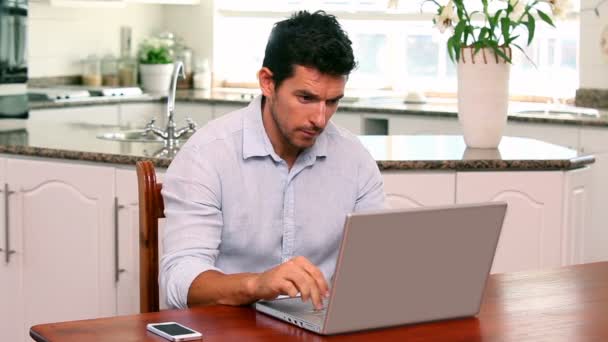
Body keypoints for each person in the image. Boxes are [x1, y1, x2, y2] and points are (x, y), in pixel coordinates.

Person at [160, 10, 385, 311]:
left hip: (322, 328)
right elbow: (179, 280)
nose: (320, 119)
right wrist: (256, 284)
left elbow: (374, 266)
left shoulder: (355, 160)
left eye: (332, 102)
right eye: (306, 98)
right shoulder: (207, 156)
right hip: (229, 328)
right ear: (267, 82)